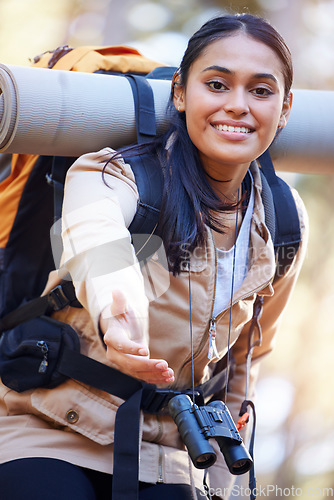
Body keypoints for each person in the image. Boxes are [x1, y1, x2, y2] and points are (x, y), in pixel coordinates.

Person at [0, 13, 308, 500]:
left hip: (167, 456)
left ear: (285, 108)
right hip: (46, 428)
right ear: (181, 94)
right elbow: (94, 235)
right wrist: (116, 309)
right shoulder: (114, 173)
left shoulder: (283, 221)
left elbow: (244, 363)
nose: (238, 106)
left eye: (261, 91)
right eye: (217, 84)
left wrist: (226, 481)